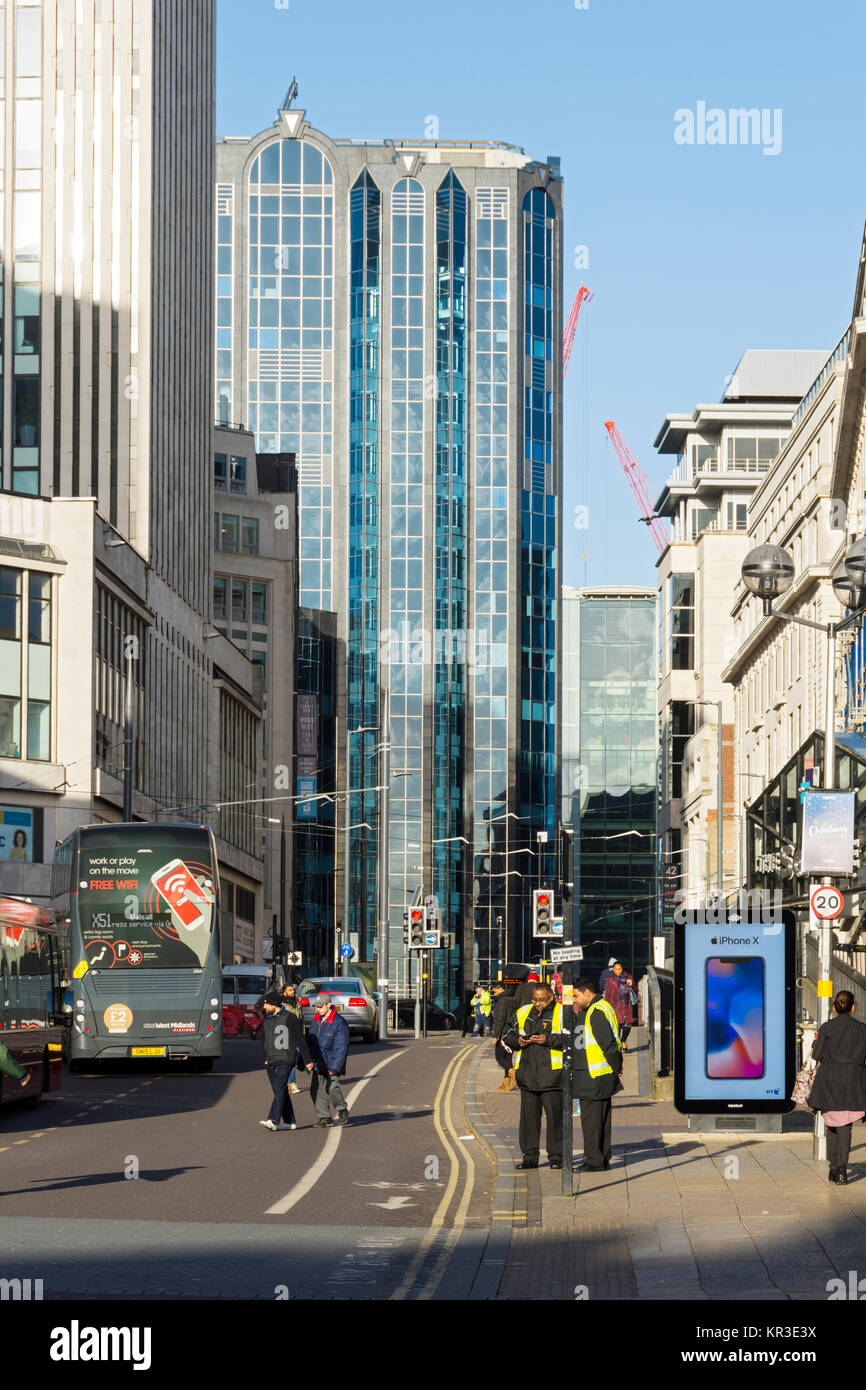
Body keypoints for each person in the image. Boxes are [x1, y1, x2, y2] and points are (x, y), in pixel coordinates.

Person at [502, 981, 565, 1170]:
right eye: (535, 1000)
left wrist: (549, 1040)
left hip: (552, 1077)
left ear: (551, 997)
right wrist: (517, 1041)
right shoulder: (523, 1012)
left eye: (542, 1000)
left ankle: (556, 1157)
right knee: (528, 1121)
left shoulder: (562, 1012)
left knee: (555, 1119)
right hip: (528, 1076)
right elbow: (508, 1033)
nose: (538, 1003)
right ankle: (530, 1158)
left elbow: (572, 1039)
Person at [809, 990, 866, 1185]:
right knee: (844, 1125)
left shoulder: (827, 1027)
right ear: (853, 1007)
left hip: (830, 1080)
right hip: (853, 1079)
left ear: (834, 1007)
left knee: (832, 1122)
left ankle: (836, 1168)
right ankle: (839, 1168)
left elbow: (816, 1054)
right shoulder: (862, 1029)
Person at [573, 975, 623, 1172]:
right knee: (602, 1120)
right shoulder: (603, 1007)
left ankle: (594, 1160)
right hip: (601, 1074)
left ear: (587, 992)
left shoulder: (595, 1012)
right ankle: (602, 1157)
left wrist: (616, 1066)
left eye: (576, 996)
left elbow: (608, 1043)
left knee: (591, 1121)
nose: (575, 1001)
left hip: (593, 1075)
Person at [259, 990, 313, 1132]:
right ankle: (290, 1122)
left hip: (286, 1059)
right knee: (280, 1090)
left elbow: (300, 1039)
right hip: (270, 1061)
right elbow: (264, 1040)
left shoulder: (290, 1017)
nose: (264, 1007)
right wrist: (264, 1058)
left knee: (280, 1088)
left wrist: (307, 1059)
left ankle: (272, 1119)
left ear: (274, 1004)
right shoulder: (267, 1020)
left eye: (266, 1004)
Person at [309, 993, 351, 1127]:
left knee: (332, 1088)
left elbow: (341, 1047)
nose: (318, 1009)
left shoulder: (339, 1023)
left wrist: (334, 1067)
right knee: (316, 1089)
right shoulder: (315, 1021)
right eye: (316, 1007)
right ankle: (324, 1117)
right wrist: (304, 1061)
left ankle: (342, 1109)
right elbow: (310, 1042)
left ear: (329, 1005)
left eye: (320, 1006)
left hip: (331, 1062)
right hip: (318, 1062)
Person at [490, 979, 516, 1091]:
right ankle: (506, 1084)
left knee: (499, 1057)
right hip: (512, 1032)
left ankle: (515, 1076)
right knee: (507, 1058)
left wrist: (496, 1035)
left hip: (503, 1033)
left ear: (500, 988)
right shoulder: (513, 998)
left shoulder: (502, 1000)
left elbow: (500, 1019)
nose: (494, 994)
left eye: (495, 991)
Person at [603, 961, 634, 1052]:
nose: (618, 971)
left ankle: (623, 1040)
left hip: (626, 1005)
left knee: (627, 1025)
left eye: (619, 969)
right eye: (616, 969)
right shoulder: (610, 980)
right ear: (613, 969)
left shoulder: (628, 977)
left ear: (622, 968)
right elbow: (607, 995)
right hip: (615, 1005)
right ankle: (618, 1045)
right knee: (617, 1026)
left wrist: (631, 985)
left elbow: (635, 989)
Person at [281, 982, 305, 1094]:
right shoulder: (282, 1005)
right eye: (290, 990)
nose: (293, 992)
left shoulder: (297, 1004)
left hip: (298, 1036)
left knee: (297, 1057)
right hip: (287, 1037)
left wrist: (303, 1034)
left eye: (293, 990)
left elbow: (302, 1021)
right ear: (284, 992)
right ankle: (292, 1083)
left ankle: (286, 1080)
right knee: (291, 1060)